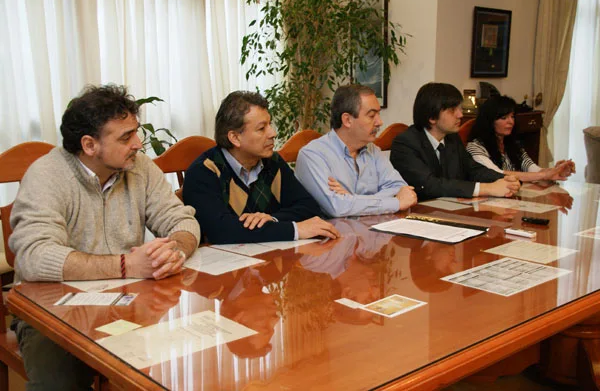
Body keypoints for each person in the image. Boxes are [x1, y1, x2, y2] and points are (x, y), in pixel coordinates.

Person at [8, 84, 200, 390]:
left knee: (177, 360)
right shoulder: (46, 175)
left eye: (136, 132)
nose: (139, 144)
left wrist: (174, 249)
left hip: (128, 300)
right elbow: (34, 257)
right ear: (89, 145)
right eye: (126, 137)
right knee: (60, 383)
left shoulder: (140, 168)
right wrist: (127, 266)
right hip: (52, 308)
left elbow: (182, 220)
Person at [183, 91, 340, 244]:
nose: (273, 133)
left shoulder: (272, 161)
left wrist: (272, 219)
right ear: (235, 138)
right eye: (261, 128)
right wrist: (294, 230)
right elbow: (221, 231)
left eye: (269, 124)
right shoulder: (204, 171)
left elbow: (309, 207)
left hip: (270, 258)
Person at [295, 84, 417, 217]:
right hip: (332, 235)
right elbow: (337, 207)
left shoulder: (372, 150)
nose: (379, 122)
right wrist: (395, 203)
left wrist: (352, 199)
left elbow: (400, 188)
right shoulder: (313, 155)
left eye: (378, 114)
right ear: (347, 120)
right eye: (371, 116)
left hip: (371, 230)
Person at [390, 82, 521, 201]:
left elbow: (473, 170)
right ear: (432, 117)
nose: (460, 115)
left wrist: (505, 180)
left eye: (460, 108)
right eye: (453, 110)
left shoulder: (452, 138)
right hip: (419, 215)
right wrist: (488, 188)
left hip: (450, 209)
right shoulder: (405, 143)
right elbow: (430, 185)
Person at [467, 95, 576, 182]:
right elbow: (497, 174)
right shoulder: (475, 147)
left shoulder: (512, 144)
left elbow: (533, 169)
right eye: (504, 118)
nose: (511, 121)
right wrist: (544, 175)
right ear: (489, 121)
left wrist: (556, 171)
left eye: (512, 116)